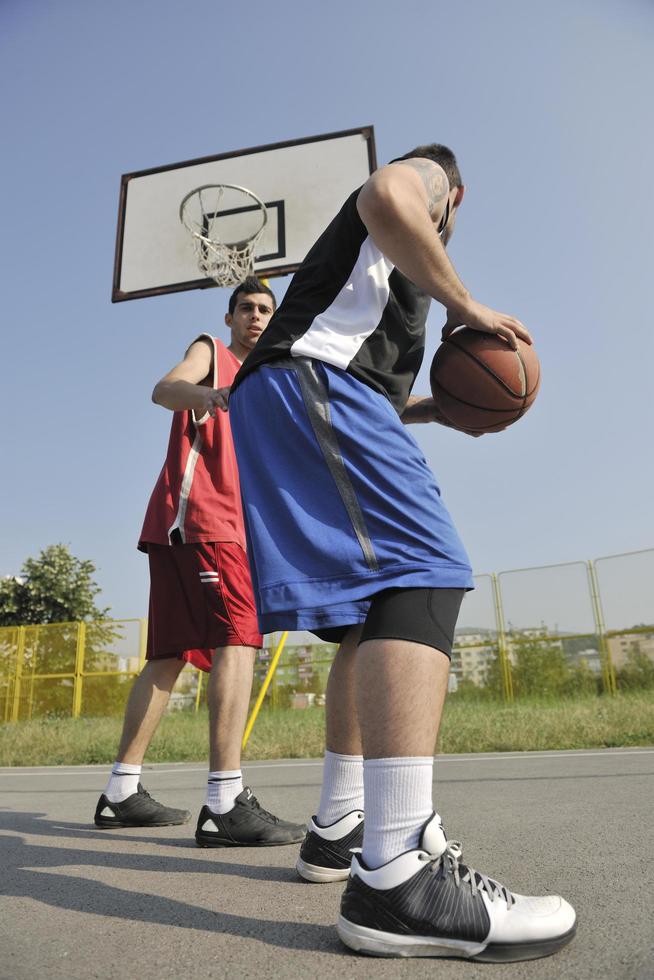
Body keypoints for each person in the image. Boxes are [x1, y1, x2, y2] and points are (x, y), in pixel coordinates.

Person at [225, 147, 577, 959]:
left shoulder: (380, 284)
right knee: (427, 567)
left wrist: (432, 411)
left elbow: (364, 366)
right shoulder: (423, 184)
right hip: (312, 385)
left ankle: (341, 825)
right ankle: (401, 872)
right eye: (450, 207)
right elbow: (387, 191)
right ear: (458, 195)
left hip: (321, 392)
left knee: (367, 617)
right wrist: (469, 307)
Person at [94, 277, 304, 848]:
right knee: (239, 638)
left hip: (185, 530)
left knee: (167, 657)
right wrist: (206, 395)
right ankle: (226, 800)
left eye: (265, 310)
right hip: (205, 522)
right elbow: (165, 389)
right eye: (247, 308)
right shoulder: (213, 353)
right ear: (231, 316)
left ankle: (119, 791)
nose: (257, 317)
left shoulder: (273, 381)